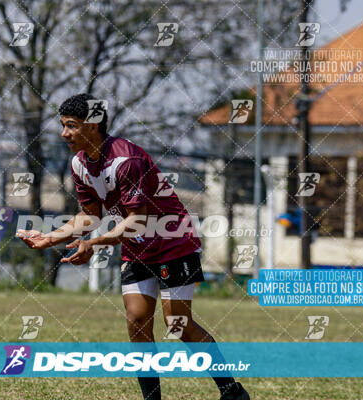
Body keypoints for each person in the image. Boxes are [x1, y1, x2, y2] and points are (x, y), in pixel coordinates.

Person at [17, 93, 250, 400]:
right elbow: (90, 215)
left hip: (173, 242)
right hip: (138, 247)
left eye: (71, 126)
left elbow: (137, 221)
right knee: (137, 321)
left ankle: (232, 392)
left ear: (92, 126)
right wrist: (50, 237)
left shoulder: (127, 160)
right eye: (63, 126)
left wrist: (95, 244)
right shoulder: (78, 164)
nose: (64, 134)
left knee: (177, 324)